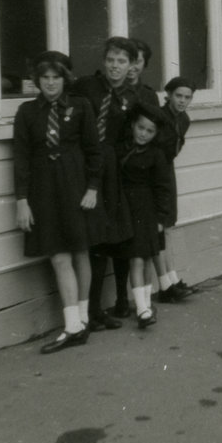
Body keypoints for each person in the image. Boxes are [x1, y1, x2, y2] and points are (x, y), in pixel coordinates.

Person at [12, 51, 102, 354]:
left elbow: (94, 150)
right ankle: (73, 325)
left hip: (75, 184)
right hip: (43, 189)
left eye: (56, 77)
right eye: (45, 78)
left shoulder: (80, 106)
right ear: (37, 80)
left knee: (80, 250)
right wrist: (22, 200)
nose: (50, 83)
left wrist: (92, 187)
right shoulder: (26, 112)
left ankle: (83, 319)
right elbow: (21, 158)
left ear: (65, 79)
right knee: (57, 255)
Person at [72, 36, 138, 330]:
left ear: (131, 66)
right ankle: (88, 310)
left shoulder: (132, 97)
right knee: (88, 237)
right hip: (82, 164)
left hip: (111, 171)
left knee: (104, 237)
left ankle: (98, 309)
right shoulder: (86, 87)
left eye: (121, 61)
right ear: (103, 61)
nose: (115, 66)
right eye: (111, 60)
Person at [115, 102, 172, 329]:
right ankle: (142, 308)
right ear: (132, 125)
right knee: (136, 259)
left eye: (150, 131)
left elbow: (162, 188)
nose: (144, 134)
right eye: (141, 128)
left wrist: (160, 218)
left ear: (155, 134)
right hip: (126, 210)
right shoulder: (121, 149)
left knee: (146, 258)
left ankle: (145, 306)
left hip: (147, 210)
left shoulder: (156, 155)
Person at [154, 76, 195, 303]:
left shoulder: (184, 120)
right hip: (152, 175)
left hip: (166, 172)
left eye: (187, 97)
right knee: (158, 228)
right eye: (178, 96)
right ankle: (165, 285)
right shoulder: (158, 117)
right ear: (168, 94)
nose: (182, 101)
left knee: (168, 225)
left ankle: (172, 279)